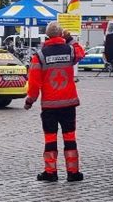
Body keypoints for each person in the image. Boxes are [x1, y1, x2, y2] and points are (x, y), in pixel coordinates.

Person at [24, 21, 85, 182]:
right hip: (69, 104)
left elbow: (34, 82)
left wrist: (30, 100)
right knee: (70, 137)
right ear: (60, 35)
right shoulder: (70, 50)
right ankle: (73, 172)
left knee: (50, 139)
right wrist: (70, 38)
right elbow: (81, 52)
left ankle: (50, 172)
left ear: (47, 36)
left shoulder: (40, 56)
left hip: (50, 106)